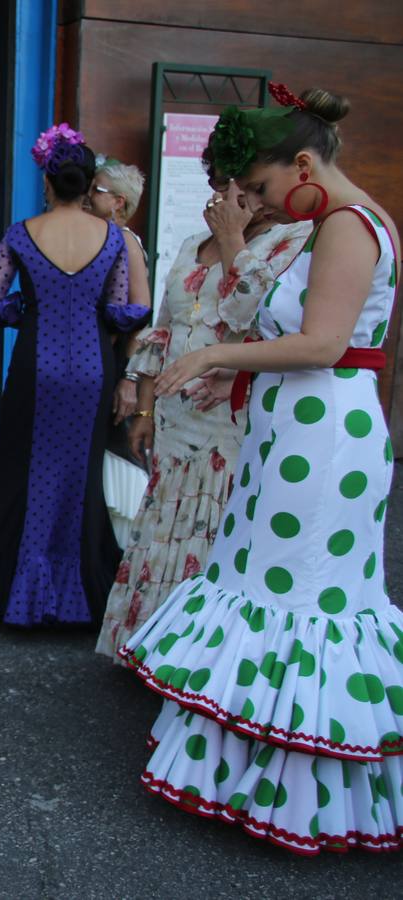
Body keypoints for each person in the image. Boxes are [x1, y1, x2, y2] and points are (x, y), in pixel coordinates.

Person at [123, 86, 402, 855]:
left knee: (300, 596)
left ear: (305, 163)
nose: (259, 202)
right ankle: (248, 776)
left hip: (323, 441)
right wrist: (231, 373)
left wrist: (212, 352)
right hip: (294, 431)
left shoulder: (347, 225)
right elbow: (299, 343)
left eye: (265, 187)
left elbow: (320, 345)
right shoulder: (328, 226)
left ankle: (298, 796)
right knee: (265, 588)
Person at [0, 125, 150, 627]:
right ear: (88, 186)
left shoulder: (20, 234)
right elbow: (122, 312)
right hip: (91, 369)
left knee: (23, 471)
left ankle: (15, 585)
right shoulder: (113, 239)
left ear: (47, 182)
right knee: (78, 478)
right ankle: (76, 594)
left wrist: (30, 302)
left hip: (35, 367)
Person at [95, 149, 310, 662]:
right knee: (165, 523)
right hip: (175, 413)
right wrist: (143, 404)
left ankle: (196, 661)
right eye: (220, 185)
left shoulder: (292, 240)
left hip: (233, 414)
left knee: (214, 531)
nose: (228, 197)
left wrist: (236, 239)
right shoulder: (193, 244)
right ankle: (146, 648)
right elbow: (163, 327)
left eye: (244, 187)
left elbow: (260, 312)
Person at [83, 159, 153, 545]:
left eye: (97, 189)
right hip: (100, 359)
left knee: (112, 450)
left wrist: (128, 379)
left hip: (116, 363)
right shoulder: (100, 239)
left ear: (119, 203)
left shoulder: (124, 242)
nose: (88, 195)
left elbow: (141, 316)